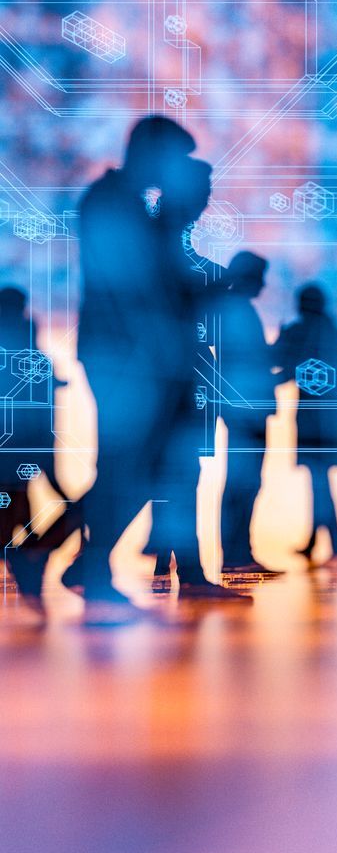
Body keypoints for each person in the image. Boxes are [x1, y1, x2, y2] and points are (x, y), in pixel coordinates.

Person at [51, 119, 200, 619]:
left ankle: (80, 561)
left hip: (131, 355)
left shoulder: (123, 203)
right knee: (128, 464)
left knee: (134, 465)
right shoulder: (112, 204)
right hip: (124, 357)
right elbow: (134, 288)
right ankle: (60, 554)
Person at [146, 155, 247, 602]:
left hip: (178, 381)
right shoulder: (155, 241)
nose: (207, 202)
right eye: (203, 192)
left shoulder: (165, 240)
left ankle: (184, 568)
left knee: (175, 475)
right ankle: (64, 553)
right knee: (156, 475)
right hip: (160, 381)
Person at [271, 283, 337, 567]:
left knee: (318, 480)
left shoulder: (306, 333)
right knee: (320, 480)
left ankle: (335, 544)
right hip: (333, 421)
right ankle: (321, 541)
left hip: (315, 422)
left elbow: (285, 366)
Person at [0, 288, 78, 584]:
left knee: (17, 506)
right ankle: (29, 552)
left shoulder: (29, 352)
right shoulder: (31, 353)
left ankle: (30, 551)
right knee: (17, 505)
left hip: (25, 446)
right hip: (26, 446)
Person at [213, 251, 283, 577]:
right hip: (245, 410)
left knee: (246, 483)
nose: (263, 284)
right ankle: (236, 554)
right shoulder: (237, 312)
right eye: (259, 277)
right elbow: (245, 362)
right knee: (242, 484)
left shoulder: (234, 310)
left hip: (244, 408)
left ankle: (239, 552)